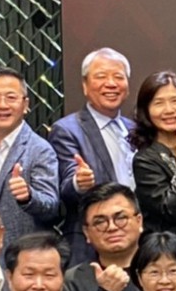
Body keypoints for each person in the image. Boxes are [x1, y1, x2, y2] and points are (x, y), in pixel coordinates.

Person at [51, 48, 136, 266]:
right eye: (101, 76)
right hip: (90, 247)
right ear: (85, 85)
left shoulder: (135, 129)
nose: (111, 83)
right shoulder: (67, 130)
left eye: (118, 77)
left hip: (135, 244)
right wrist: (79, 183)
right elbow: (66, 188)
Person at [0, 67, 61, 247]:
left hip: (22, 254)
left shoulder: (39, 149)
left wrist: (28, 197)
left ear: (25, 104)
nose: (2, 105)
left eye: (11, 97)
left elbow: (51, 207)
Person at [60, 183, 146, 291]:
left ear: (139, 221)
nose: (112, 227)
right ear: (86, 232)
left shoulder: (165, 269)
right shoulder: (72, 281)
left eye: (120, 218)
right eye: (100, 222)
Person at [130, 70, 176, 245]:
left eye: (175, 101)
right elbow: (170, 211)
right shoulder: (144, 159)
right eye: (159, 103)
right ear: (146, 110)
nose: (169, 110)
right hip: (167, 248)